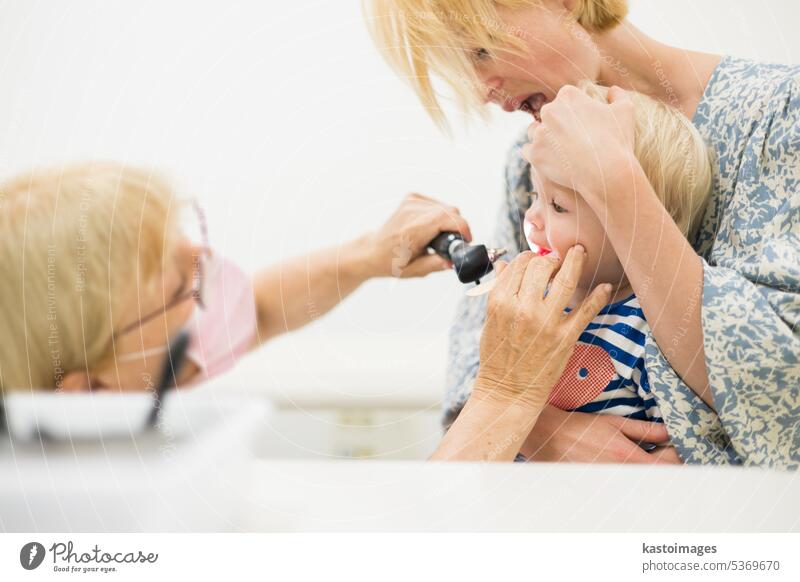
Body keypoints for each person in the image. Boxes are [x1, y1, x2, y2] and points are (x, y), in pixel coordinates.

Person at [367, 0, 800, 467]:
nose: (480, 92)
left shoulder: (780, 113)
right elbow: (484, 354)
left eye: (480, 51)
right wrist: (542, 427)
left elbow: (780, 395)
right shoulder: (531, 158)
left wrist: (614, 179)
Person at [0, 161, 610, 461]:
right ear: (83, 397)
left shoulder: (120, 379)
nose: (206, 261)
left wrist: (370, 256)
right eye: (178, 288)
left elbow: (258, 310)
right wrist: (505, 394)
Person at [512, 81, 713, 457]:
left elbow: (683, 446)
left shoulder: (649, 333)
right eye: (533, 195)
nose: (533, 219)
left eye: (557, 206)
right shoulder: (531, 305)